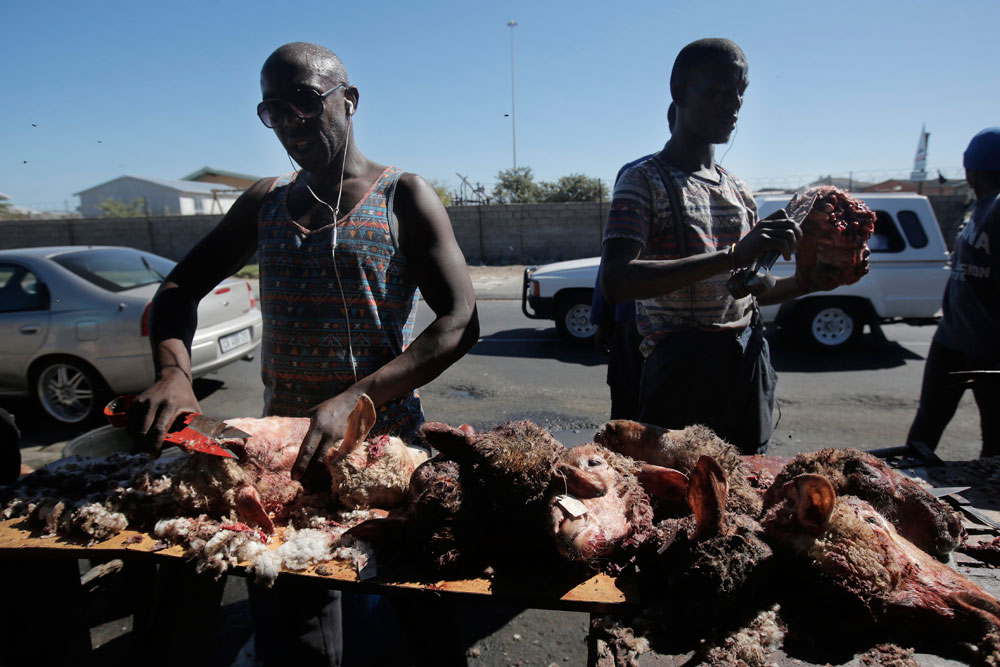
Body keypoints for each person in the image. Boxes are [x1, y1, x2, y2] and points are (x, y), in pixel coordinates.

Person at [128, 42, 479, 666]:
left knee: (426, 622)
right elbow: (179, 289)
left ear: (349, 100)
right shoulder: (266, 202)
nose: (292, 120)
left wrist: (356, 398)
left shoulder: (403, 195)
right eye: (273, 109)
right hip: (287, 465)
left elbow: (459, 321)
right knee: (299, 639)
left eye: (306, 100)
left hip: (386, 457)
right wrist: (173, 373)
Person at [600, 38, 862, 454]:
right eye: (717, 92)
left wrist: (813, 282)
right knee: (681, 497)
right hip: (680, 377)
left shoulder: (738, 190)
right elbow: (615, 281)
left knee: (747, 489)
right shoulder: (643, 181)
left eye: (739, 92)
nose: (733, 105)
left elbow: (752, 292)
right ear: (680, 93)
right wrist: (733, 255)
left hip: (746, 364)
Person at [907, 127, 1000, 458]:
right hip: (952, 338)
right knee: (927, 424)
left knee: (996, 435)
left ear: (971, 169)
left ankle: (988, 501)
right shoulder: (981, 207)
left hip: (989, 348)